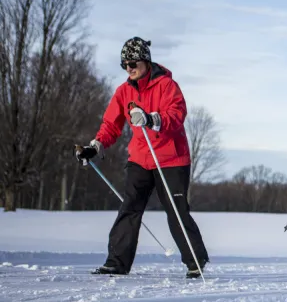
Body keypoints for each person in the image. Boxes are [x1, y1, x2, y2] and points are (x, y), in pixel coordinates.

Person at [74, 36, 210, 278]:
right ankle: (117, 262)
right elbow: (111, 125)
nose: (129, 68)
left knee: (176, 210)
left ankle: (195, 260)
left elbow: (176, 114)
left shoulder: (167, 86)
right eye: (125, 64)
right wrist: (95, 147)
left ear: (146, 61)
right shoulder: (123, 92)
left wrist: (151, 119)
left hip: (171, 159)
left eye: (133, 62)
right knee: (130, 207)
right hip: (140, 158)